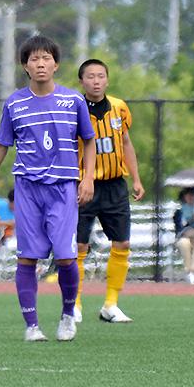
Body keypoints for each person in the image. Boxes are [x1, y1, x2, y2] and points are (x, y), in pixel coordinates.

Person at [0, 35, 95, 342]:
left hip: (64, 188)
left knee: (66, 257)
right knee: (27, 258)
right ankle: (32, 326)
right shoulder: (15, 103)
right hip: (27, 189)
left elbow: (89, 140)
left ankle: (68, 316)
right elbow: (1, 145)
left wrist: (88, 177)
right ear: (25, 65)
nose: (40, 64)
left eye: (46, 58)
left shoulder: (73, 101)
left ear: (56, 64)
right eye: (34, 59)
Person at [75, 58, 145, 323]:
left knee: (123, 243)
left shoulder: (119, 108)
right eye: (90, 76)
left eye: (100, 76)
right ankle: (75, 303)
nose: (96, 81)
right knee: (79, 245)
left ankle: (111, 305)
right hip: (84, 184)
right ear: (82, 81)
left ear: (107, 79)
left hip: (115, 185)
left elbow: (126, 143)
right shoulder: (74, 109)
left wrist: (136, 179)